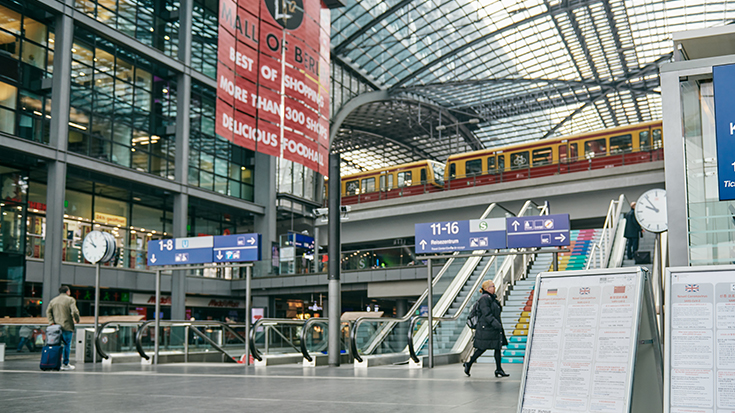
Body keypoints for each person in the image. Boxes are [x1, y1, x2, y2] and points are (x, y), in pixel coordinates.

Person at [463, 280, 509, 378]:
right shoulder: (484, 298)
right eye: (492, 286)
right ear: (487, 288)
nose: (494, 288)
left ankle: (499, 369)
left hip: (492, 327)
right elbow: (487, 314)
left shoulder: (491, 298)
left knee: (497, 347)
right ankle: (469, 363)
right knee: (482, 348)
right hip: (486, 328)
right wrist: (496, 324)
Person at [47, 285, 81, 371]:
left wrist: (51, 322)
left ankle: (54, 363)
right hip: (67, 326)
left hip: (55, 327)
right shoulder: (70, 300)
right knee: (67, 345)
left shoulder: (53, 301)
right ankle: (65, 363)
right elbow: (74, 311)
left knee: (56, 345)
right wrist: (77, 319)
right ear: (67, 291)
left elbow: (48, 311)